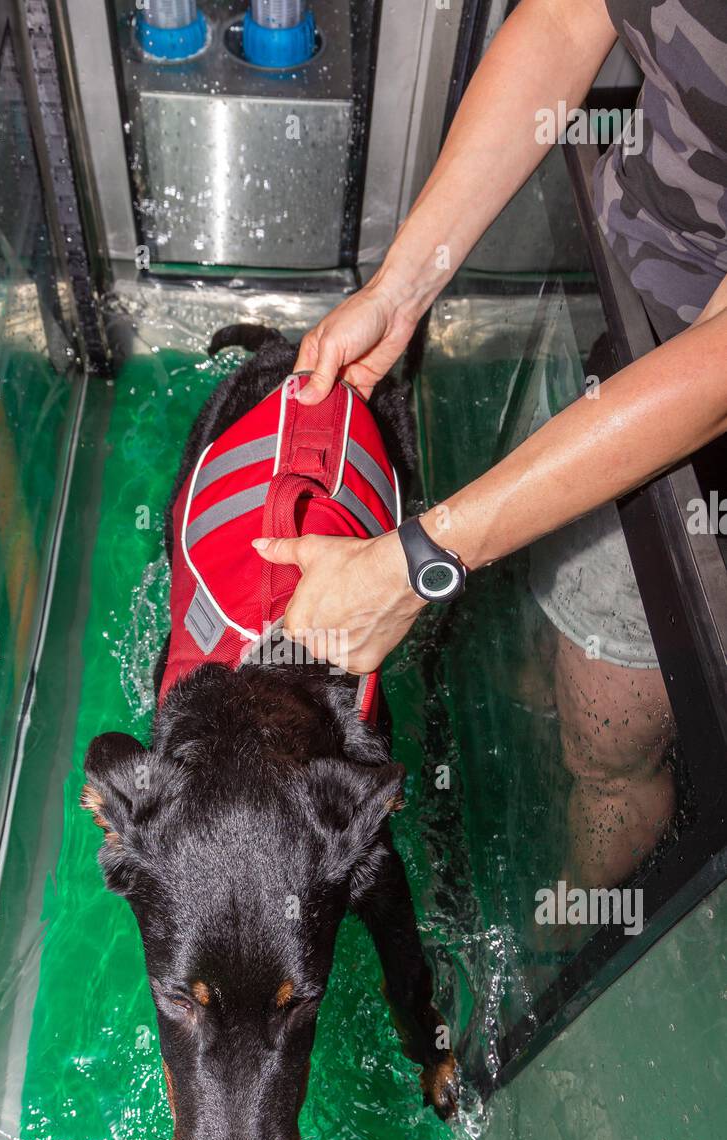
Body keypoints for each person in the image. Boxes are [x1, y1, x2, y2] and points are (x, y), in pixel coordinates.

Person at [253, 0, 727, 892]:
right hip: (618, 278)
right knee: (557, 633)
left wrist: (421, 560)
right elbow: (563, 17)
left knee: (610, 747)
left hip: (697, 427)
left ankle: (577, 956)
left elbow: (719, 369)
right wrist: (402, 287)